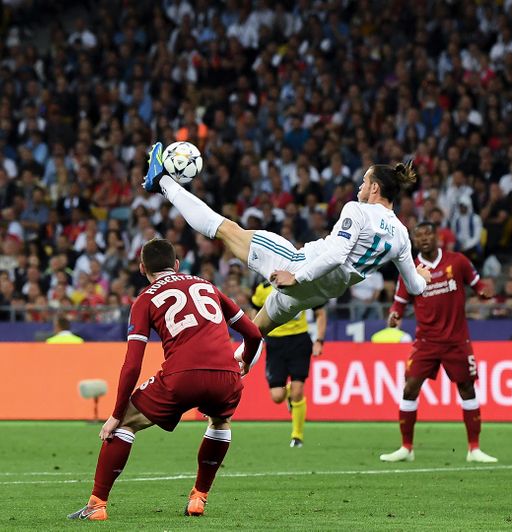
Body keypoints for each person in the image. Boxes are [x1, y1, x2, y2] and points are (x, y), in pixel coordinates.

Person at [141, 143, 431, 336]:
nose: (360, 185)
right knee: (253, 336)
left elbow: (336, 256)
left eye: (365, 181)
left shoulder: (358, 210)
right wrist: (422, 276)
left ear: (376, 188)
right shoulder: (402, 235)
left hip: (297, 267)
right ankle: (226, 382)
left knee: (227, 230)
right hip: (315, 296)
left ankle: (162, 180)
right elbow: (415, 287)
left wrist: (297, 276)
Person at [68, 238, 263, 521]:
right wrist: (245, 359)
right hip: (226, 376)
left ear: (142, 268)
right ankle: (199, 498)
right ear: (176, 265)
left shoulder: (144, 299)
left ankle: (97, 505)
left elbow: (132, 364)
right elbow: (254, 335)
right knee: (220, 421)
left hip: (181, 376)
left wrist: (116, 413)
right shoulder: (208, 286)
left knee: (125, 425)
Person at [380, 221, 497, 463]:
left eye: (427, 234)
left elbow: (478, 284)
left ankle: (474, 448)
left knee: (467, 388)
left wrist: (485, 291)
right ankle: (406, 448)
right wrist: (394, 315)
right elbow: (399, 303)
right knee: (409, 387)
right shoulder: (410, 268)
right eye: (419, 235)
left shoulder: (458, 261)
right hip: (426, 341)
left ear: (437, 237)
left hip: (456, 340)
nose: (424, 239)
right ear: (414, 240)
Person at [251, 281, 327, 448]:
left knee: (298, 391)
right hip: (274, 343)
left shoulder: (303, 284)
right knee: (277, 396)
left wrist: (319, 340)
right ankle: (290, 394)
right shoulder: (262, 289)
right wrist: (254, 339)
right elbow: (255, 313)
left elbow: (320, 312)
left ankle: (297, 436)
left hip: (299, 340)